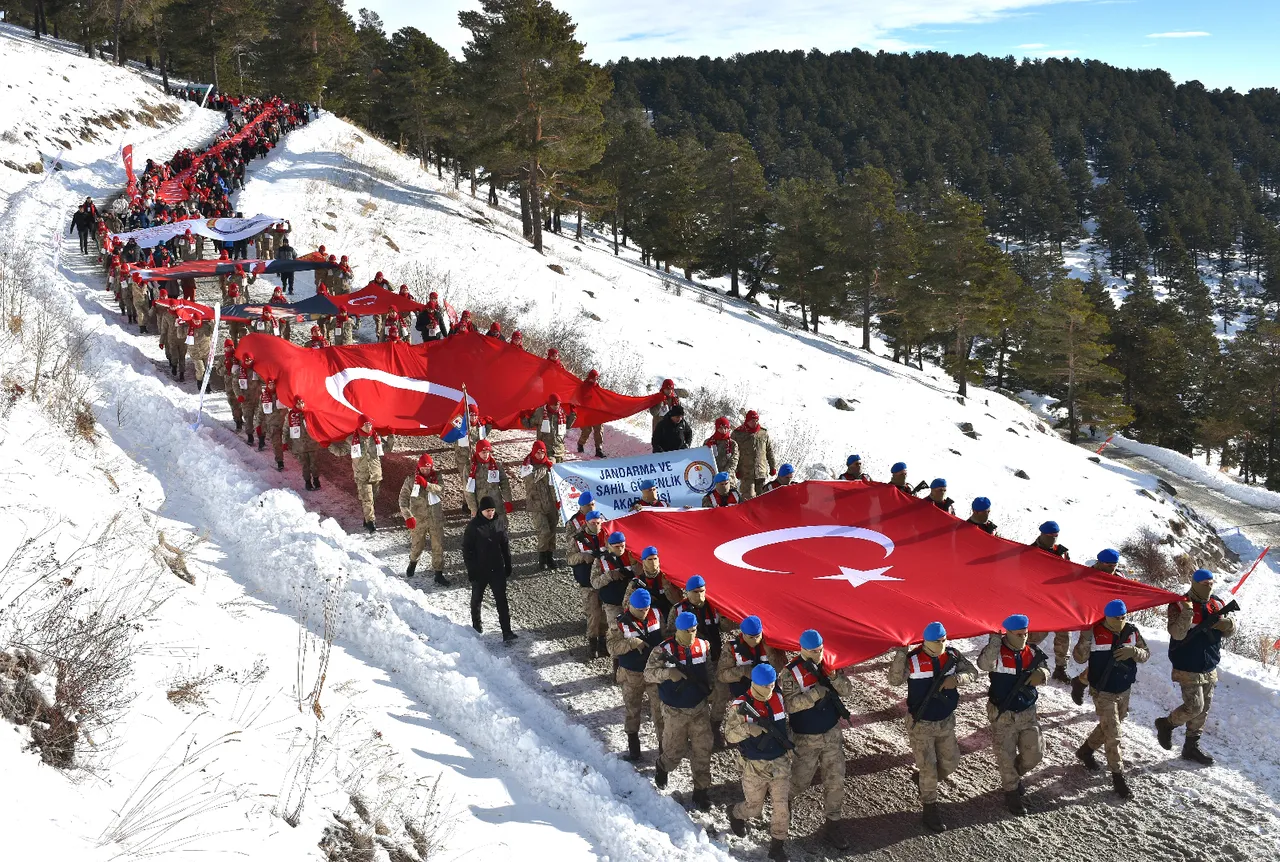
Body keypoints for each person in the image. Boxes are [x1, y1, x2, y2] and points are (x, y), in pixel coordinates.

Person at [888, 621, 978, 833]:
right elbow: (894, 680)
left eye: (944, 639)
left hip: (946, 721)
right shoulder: (914, 660)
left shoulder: (953, 656)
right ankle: (930, 808)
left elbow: (973, 672)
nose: (942, 644)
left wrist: (957, 679)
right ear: (926, 641)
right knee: (928, 767)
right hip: (921, 724)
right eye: (937, 641)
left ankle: (923, 782)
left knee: (951, 762)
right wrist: (901, 654)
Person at [1154, 569, 1238, 766]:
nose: (1208, 587)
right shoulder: (1179, 604)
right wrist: (1188, 612)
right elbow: (1177, 634)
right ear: (1195, 583)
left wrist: (1227, 624)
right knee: (1194, 706)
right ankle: (1166, 724)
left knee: (1203, 709)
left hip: (1209, 663)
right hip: (1186, 665)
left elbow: (1231, 629)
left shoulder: (1216, 603)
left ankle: (1191, 746)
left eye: (1211, 584)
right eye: (1204, 584)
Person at [780, 629, 852, 847]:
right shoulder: (790, 673)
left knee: (836, 780)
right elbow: (789, 704)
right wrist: (813, 695)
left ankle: (833, 824)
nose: (818, 654)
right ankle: (784, 803)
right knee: (800, 781)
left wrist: (835, 677)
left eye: (820, 650)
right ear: (802, 649)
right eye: (813, 651)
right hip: (806, 737)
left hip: (831, 732)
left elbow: (847, 690)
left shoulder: (830, 664)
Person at [1073, 599, 1149, 799]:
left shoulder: (1132, 632)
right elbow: (1080, 658)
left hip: (1124, 689)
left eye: (1124, 617)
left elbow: (1146, 654)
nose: (1121, 620)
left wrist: (1134, 652)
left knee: (1110, 725)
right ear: (1107, 617)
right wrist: (1086, 637)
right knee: (1114, 734)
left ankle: (1086, 750)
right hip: (1103, 691)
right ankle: (1118, 776)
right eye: (1117, 618)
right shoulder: (1096, 632)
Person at [977, 614, 1048, 815]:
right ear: (1007, 633)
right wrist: (994, 642)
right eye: (1019, 634)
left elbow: (1045, 668)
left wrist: (1042, 675)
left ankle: (1013, 777)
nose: (1024, 638)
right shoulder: (997, 652)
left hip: (1027, 713)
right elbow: (983, 665)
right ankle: (1011, 792)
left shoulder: (1033, 652)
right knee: (1005, 757)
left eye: (1026, 634)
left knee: (1035, 754)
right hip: (1003, 714)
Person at [724, 663, 793, 862]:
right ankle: (735, 813)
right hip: (754, 764)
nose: (770, 689)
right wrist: (748, 729)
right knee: (754, 808)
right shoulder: (740, 705)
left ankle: (777, 846)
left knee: (781, 807)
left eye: (772, 685)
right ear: (754, 683)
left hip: (779, 762)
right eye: (765, 686)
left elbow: (784, 725)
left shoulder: (778, 698)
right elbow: (729, 735)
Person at [644, 611, 713, 809]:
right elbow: (648, 675)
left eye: (694, 630)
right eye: (687, 631)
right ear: (678, 630)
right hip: (675, 710)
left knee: (703, 751)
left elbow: (708, 670)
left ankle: (701, 791)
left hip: (699, 708)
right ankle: (663, 766)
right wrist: (668, 673)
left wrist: (712, 691)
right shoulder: (663, 650)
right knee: (675, 750)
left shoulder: (703, 646)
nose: (691, 634)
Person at [608, 588, 666, 762]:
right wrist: (632, 643)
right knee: (633, 710)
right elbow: (612, 648)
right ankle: (634, 748)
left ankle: (664, 752)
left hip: (654, 673)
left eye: (646, 609)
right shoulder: (619, 623)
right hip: (632, 674)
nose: (644, 612)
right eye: (640, 610)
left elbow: (666, 635)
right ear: (631, 606)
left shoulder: (656, 614)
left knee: (660, 712)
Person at [462, 496, 516, 642]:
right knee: (477, 599)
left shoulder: (499, 522)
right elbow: (467, 551)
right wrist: (471, 570)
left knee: (502, 601)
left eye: (492, 510)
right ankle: (476, 627)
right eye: (488, 511)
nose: (491, 513)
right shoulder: (473, 527)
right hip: (480, 571)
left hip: (497, 569)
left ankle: (507, 631)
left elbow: (505, 545)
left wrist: (508, 563)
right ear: (481, 511)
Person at [330, 415, 391, 532]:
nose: (368, 427)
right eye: (365, 424)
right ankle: (370, 523)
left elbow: (386, 449)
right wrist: (329, 445)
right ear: (360, 425)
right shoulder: (351, 440)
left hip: (376, 474)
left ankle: (367, 516)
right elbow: (340, 452)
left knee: (373, 499)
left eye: (369, 424)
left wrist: (391, 435)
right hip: (362, 475)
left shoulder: (376, 437)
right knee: (367, 499)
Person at [1029, 521, 1072, 681]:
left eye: (1056, 536)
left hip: (1058, 600)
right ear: (1042, 534)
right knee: (1035, 636)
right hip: (1038, 601)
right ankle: (1024, 660)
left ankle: (1061, 668)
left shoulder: (1062, 553)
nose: (1053, 539)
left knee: (1064, 635)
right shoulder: (1031, 551)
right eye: (1050, 536)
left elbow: (1068, 574)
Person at [399, 454, 450, 586]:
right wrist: (408, 516)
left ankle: (438, 573)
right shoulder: (410, 480)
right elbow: (403, 500)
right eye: (423, 468)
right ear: (419, 467)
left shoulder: (436, 478)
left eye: (428, 468)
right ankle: (413, 562)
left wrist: (427, 484)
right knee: (417, 545)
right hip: (418, 519)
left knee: (438, 546)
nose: (426, 471)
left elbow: (441, 489)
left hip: (435, 519)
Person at [717, 614, 786, 711]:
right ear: (743, 633)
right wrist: (744, 671)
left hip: (769, 691)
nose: (755, 640)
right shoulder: (731, 647)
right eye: (751, 637)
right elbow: (721, 675)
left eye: (757, 636)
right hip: (744, 693)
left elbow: (782, 669)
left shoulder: (771, 644)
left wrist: (771, 653)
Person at [568, 510, 609, 659]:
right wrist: (582, 556)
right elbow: (569, 559)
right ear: (586, 522)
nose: (597, 525)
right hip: (587, 583)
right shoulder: (578, 539)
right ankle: (593, 644)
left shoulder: (607, 535)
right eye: (593, 523)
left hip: (604, 581)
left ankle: (603, 643)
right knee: (593, 614)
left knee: (604, 614)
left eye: (599, 523)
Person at [520, 440, 560, 570]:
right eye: (538, 452)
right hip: (536, 504)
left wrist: (558, 500)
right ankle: (542, 557)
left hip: (551, 503)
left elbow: (555, 483)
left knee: (552, 531)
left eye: (543, 452)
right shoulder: (527, 465)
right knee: (544, 531)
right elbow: (532, 478)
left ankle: (550, 556)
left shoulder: (550, 464)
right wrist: (547, 466)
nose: (540, 455)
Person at [591, 530, 638, 627]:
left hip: (632, 603)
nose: (620, 549)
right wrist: (610, 575)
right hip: (613, 604)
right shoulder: (601, 561)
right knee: (616, 630)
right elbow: (594, 583)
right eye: (617, 547)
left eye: (622, 546)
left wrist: (635, 565)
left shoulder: (631, 556)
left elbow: (640, 577)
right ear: (609, 546)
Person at [624, 545, 681, 621]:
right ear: (643, 561)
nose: (653, 562)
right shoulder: (637, 582)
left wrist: (667, 587)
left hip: (668, 617)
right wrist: (644, 600)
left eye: (655, 559)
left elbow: (678, 602)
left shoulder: (667, 578)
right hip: (647, 618)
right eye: (650, 559)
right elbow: (626, 605)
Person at [464, 440, 512, 530]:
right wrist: (473, 508)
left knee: (501, 532)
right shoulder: (470, 468)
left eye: (487, 452)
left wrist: (508, 500)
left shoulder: (496, 465)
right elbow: (468, 491)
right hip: (481, 507)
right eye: (483, 452)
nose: (486, 455)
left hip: (497, 506)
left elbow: (504, 483)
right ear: (478, 452)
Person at [731, 410, 776, 500]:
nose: (754, 423)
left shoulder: (763, 434)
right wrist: (736, 470)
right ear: (747, 421)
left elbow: (769, 451)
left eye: (756, 420)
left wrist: (772, 467)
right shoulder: (738, 434)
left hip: (761, 472)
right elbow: (733, 453)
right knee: (748, 497)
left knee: (762, 498)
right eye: (752, 420)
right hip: (746, 472)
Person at [523, 393, 577, 462]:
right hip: (545, 451)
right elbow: (529, 424)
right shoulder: (540, 412)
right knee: (548, 470)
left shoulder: (561, 412)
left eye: (558, 404)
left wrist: (573, 414)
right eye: (554, 405)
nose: (556, 407)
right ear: (550, 404)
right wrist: (523, 417)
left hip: (559, 451)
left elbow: (568, 425)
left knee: (558, 471)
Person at [286, 397, 322, 491]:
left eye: (302, 403)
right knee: (305, 465)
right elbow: (286, 429)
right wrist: (284, 441)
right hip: (300, 446)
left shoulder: (310, 413)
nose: (301, 405)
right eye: (298, 403)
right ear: (295, 404)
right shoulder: (291, 415)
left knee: (314, 464)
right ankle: (307, 482)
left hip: (312, 444)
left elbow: (319, 426)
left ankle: (316, 480)